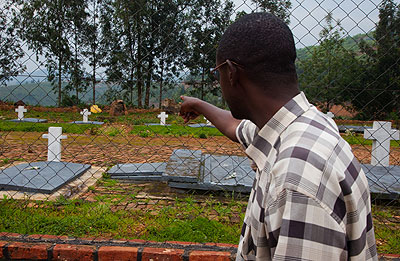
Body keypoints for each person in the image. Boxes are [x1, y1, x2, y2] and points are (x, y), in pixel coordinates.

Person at [180, 12, 377, 260]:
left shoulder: (297, 178)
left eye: (218, 72)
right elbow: (235, 127)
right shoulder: (299, 127)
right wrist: (199, 105)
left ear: (231, 73)